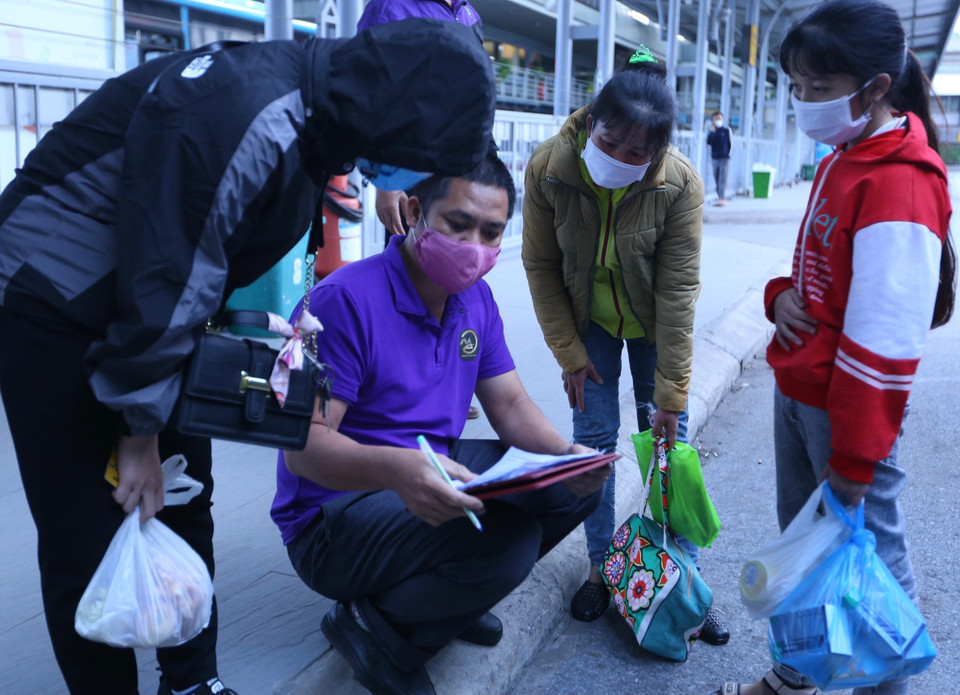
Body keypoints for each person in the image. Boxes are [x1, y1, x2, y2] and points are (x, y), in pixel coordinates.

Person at [0, 19, 495, 695]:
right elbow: (165, 270)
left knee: (184, 491)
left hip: (146, 309)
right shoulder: (248, 115)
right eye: (423, 153)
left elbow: (192, 276)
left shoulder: (320, 121)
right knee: (85, 528)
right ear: (394, 110)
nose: (416, 178)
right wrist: (140, 431)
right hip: (52, 298)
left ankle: (191, 681)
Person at [271, 151, 610, 695]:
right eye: (458, 224)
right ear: (412, 211)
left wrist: (568, 458)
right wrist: (398, 470)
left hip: (427, 470)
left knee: (572, 490)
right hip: (330, 521)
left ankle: (444, 597)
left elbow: (512, 406)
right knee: (508, 545)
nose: (474, 247)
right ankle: (378, 632)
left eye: (491, 232)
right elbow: (303, 450)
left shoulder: (474, 299)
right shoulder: (340, 303)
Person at [715, 1, 956, 694]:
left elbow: (883, 340)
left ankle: (887, 687)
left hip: (844, 413)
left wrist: (854, 457)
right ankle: (799, 671)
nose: (803, 102)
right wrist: (778, 295)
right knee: (808, 546)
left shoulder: (901, 181)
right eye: (794, 85)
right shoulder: (848, 157)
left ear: (876, 87)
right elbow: (821, 268)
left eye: (818, 88)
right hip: (800, 391)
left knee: (869, 556)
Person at [521, 45, 729, 645]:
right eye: (610, 144)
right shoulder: (549, 170)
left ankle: (682, 580)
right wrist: (568, 353)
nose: (621, 159)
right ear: (590, 122)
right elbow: (538, 265)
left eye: (639, 154)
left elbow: (679, 290)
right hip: (587, 324)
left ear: (660, 151)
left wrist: (671, 394)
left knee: (669, 447)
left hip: (653, 328)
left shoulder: (678, 184)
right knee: (592, 446)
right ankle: (599, 569)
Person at [357, 0, 486, 421]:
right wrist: (386, 180)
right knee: (408, 276)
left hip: (457, 168)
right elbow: (373, 89)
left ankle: (447, 383)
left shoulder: (467, 13)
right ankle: (399, 392)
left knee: (453, 278)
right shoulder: (393, 5)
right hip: (409, 166)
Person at [707, 111, 732, 205]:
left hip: (725, 158)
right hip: (715, 158)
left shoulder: (726, 131)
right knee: (716, 177)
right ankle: (719, 196)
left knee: (723, 178)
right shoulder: (712, 132)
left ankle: (722, 198)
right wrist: (713, 131)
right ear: (713, 120)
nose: (718, 120)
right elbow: (709, 142)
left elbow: (730, 144)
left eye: (720, 118)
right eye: (716, 119)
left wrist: (729, 155)